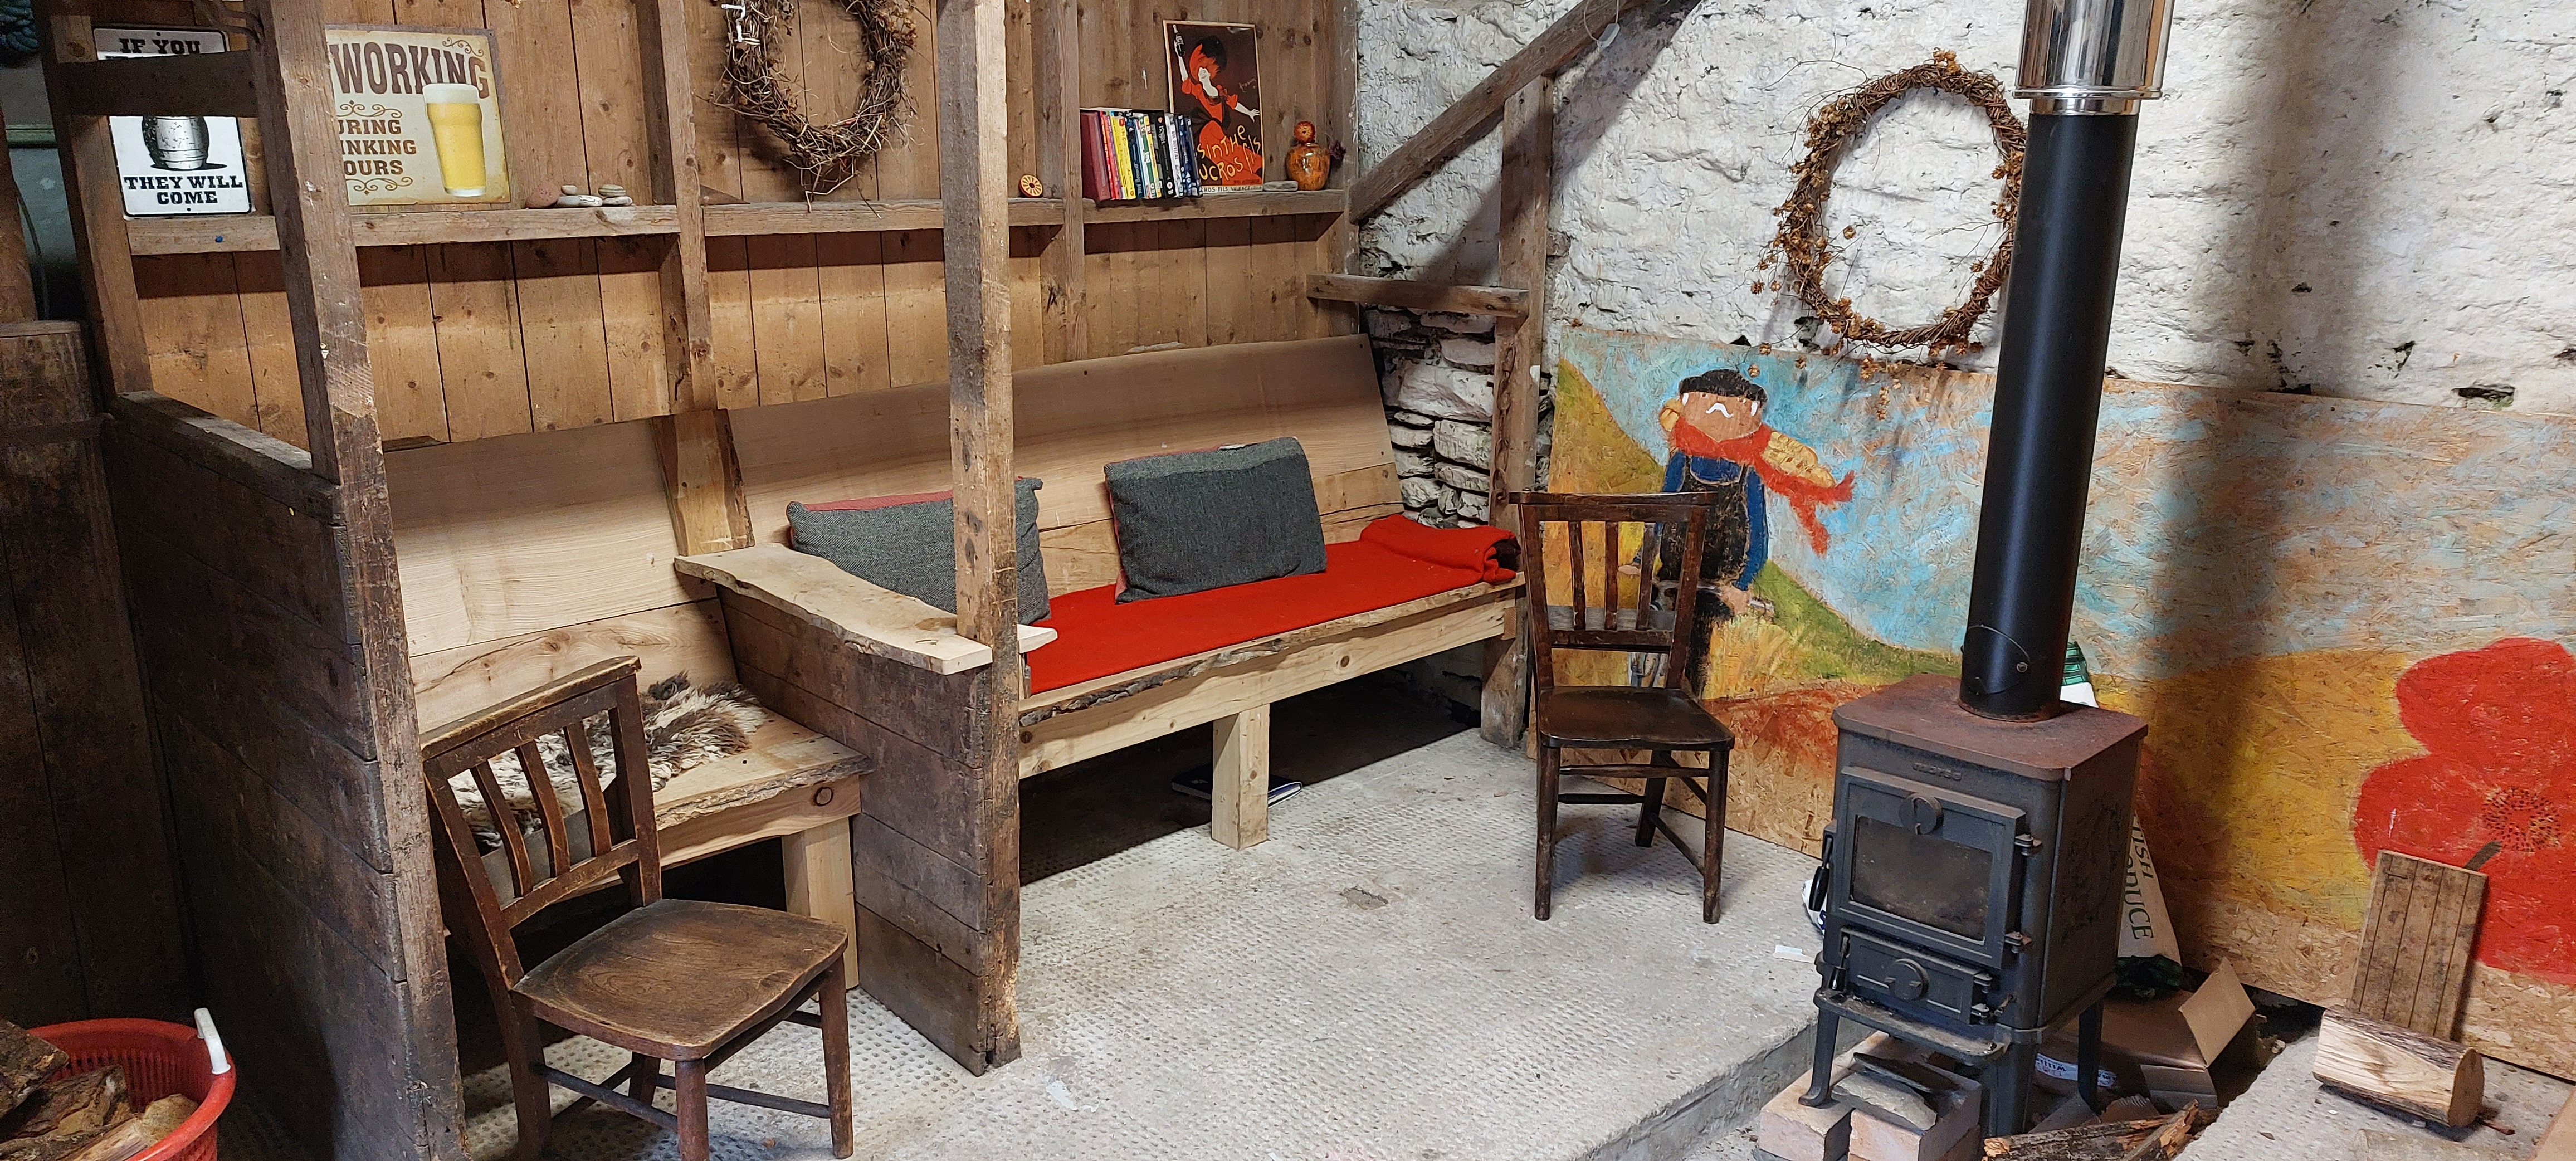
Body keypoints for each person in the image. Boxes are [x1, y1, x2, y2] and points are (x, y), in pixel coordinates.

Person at [1650, 368, 1852, 691]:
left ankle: (1688, 698)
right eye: (1708, 400)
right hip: (1674, 572)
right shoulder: (1681, 462)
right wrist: (1641, 560)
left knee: (1698, 643)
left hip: (1719, 582)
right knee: (1658, 628)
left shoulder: (1749, 474)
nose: (1718, 410)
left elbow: (1758, 534)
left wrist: (1742, 585)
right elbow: (1660, 514)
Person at [1173, 33, 1263, 186]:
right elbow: (1185, 79)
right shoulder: (1199, 91)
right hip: (1207, 133)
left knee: (1233, 152)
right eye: (1199, 69)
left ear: (1211, 70)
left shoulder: (1220, 91)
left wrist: (1249, 113)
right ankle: (1242, 177)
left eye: (1205, 68)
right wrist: (1179, 56)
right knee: (1224, 159)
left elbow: (1233, 104)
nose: (1202, 71)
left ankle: (1253, 171)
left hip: (1218, 132)